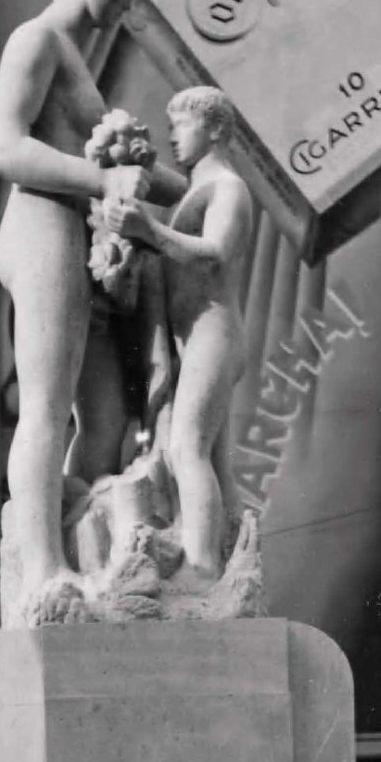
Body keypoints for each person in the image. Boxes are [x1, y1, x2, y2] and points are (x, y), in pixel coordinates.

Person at [0, 0, 182, 580]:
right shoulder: (35, 40)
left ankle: (86, 556)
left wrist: (189, 186)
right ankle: (41, 567)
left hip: (74, 236)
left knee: (105, 419)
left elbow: (126, 174)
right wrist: (101, 180)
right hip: (39, 224)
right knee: (44, 405)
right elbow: (3, 149)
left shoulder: (70, 53)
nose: (126, 7)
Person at [100, 86, 256, 581]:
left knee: (188, 447)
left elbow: (214, 251)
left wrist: (151, 233)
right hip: (196, 336)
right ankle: (234, 562)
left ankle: (203, 569)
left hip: (213, 330)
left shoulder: (227, 187)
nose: (172, 136)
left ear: (215, 130)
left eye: (183, 124)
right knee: (210, 456)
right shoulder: (194, 190)